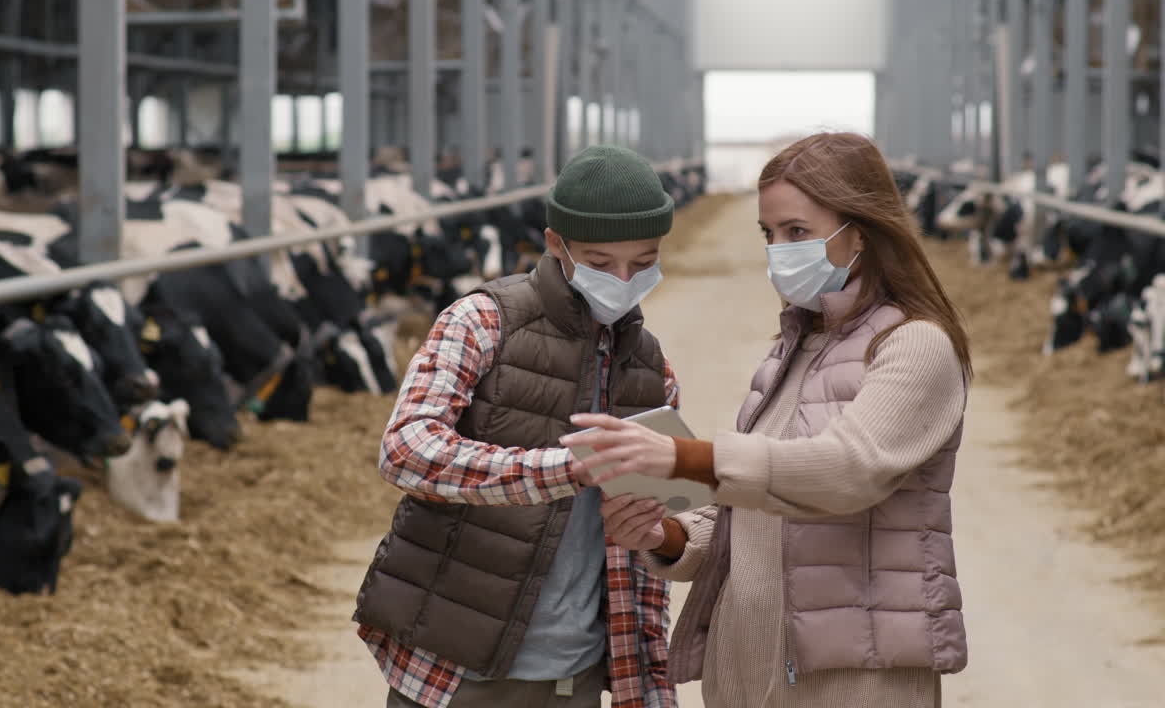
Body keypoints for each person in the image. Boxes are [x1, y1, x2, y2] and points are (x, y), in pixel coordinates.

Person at [562, 132, 973, 707]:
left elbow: (843, 471)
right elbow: (746, 511)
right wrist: (667, 534)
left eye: (797, 232)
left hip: (850, 683)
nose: (779, 250)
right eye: (769, 234)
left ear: (860, 232)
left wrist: (687, 458)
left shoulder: (916, 347)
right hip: (748, 672)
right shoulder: (794, 347)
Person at [354, 144, 681, 708]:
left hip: (576, 674)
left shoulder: (651, 369)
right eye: (601, 264)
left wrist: (648, 684)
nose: (624, 280)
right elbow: (406, 448)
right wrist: (562, 468)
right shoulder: (482, 320)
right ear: (557, 244)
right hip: (454, 671)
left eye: (643, 262)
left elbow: (650, 537)